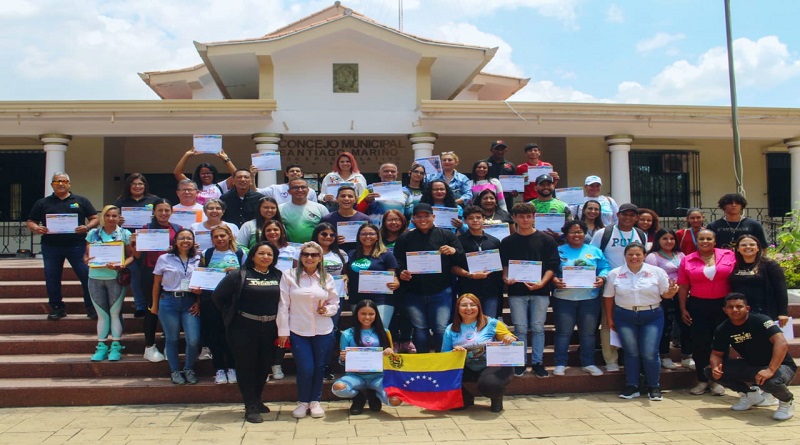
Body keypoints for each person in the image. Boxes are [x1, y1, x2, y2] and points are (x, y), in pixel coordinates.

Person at [213, 241, 281, 423]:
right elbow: (218, 297)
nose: (265, 257)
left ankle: (257, 399)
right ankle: (250, 405)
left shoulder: (278, 275)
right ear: (253, 255)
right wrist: (231, 314)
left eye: (269, 254)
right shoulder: (239, 274)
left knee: (264, 365)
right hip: (244, 327)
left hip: (270, 327)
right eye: (261, 253)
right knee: (246, 366)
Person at [604, 242, 679, 401]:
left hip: (652, 316)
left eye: (638, 254)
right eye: (630, 254)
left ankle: (654, 386)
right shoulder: (614, 274)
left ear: (644, 255)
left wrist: (671, 292)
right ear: (624, 256)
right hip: (624, 316)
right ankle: (632, 385)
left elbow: (665, 294)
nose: (634, 257)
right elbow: (609, 297)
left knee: (650, 352)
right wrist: (610, 318)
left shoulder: (657, 272)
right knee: (631, 352)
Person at [707, 293, 796, 421]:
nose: (735, 310)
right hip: (753, 365)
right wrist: (716, 367)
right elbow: (716, 354)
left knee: (769, 381)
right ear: (725, 310)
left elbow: (781, 343)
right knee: (709, 371)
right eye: (730, 307)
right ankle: (749, 395)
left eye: (739, 306)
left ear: (747, 308)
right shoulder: (723, 328)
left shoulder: (761, 320)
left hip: (781, 366)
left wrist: (770, 369)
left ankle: (787, 401)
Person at [277, 241, 339, 419]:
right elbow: (283, 304)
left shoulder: (326, 278)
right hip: (298, 329)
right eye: (306, 254)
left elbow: (335, 302)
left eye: (314, 255)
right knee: (306, 368)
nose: (309, 258)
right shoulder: (289, 275)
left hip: (323, 329)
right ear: (300, 257)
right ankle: (303, 402)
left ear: (320, 258)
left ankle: (315, 401)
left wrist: (326, 310)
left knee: (319, 367)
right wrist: (283, 331)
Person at [27, 172, 99, 320]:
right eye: (57, 181)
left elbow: (95, 218)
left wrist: (87, 227)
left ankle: (92, 307)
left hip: (77, 245)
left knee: (86, 275)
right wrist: (36, 228)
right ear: (52, 184)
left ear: (69, 184)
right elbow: (30, 221)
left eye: (64, 181)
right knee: (52, 277)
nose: (60, 184)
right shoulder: (42, 203)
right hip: (51, 246)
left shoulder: (81, 201)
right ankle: (57, 308)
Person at [393, 203, 464, 353]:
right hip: (413, 292)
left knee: (440, 328)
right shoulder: (405, 238)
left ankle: (443, 360)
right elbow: (397, 260)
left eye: (426, 216)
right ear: (413, 218)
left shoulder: (447, 235)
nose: (423, 219)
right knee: (420, 329)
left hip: (441, 291)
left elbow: (462, 258)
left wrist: (454, 251)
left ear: (433, 217)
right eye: (419, 216)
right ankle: (423, 360)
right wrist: (401, 272)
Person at [499, 203, 560, 377]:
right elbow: (505, 264)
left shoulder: (547, 240)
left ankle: (537, 362)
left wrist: (542, 282)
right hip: (516, 291)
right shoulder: (507, 241)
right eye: (521, 216)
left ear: (534, 217)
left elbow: (552, 265)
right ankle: (520, 362)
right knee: (520, 328)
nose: (525, 220)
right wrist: (506, 277)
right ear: (515, 218)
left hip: (540, 291)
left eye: (528, 216)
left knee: (538, 328)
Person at [677, 229, 736, 396]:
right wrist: (683, 308)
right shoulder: (688, 259)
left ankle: (718, 381)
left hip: (723, 305)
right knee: (700, 343)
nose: (705, 241)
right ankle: (702, 380)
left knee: (721, 343)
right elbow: (683, 286)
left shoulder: (729, 256)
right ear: (697, 241)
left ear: (714, 241)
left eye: (709, 239)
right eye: (701, 239)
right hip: (698, 305)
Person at [590, 203, 647, 372]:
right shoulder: (604, 233)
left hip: (635, 285)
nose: (628, 217)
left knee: (632, 321)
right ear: (618, 215)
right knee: (608, 322)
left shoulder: (641, 234)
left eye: (632, 215)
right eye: (624, 214)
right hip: (610, 284)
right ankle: (611, 359)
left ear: (636, 217)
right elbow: (592, 256)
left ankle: (629, 357)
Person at [551, 220, 609, 377]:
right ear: (566, 235)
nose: (576, 235)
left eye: (579, 232)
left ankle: (588, 363)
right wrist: (554, 279)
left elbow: (605, 267)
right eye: (572, 232)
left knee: (588, 333)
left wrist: (602, 278)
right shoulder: (558, 251)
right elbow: (550, 269)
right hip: (564, 298)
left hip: (589, 298)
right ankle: (560, 363)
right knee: (563, 333)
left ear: (585, 234)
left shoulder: (595, 251)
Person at [441, 294, 516, 413]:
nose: (468, 308)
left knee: (490, 385)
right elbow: (444, 355)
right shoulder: (450, 329)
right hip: (465, 366)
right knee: (442, 376)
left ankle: (496, 398)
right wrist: (454, 352)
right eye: (464, 305)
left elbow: (510, 338)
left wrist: (509, 338)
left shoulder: (492, 323)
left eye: (472, 305)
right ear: (458, 308)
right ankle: (465, 398)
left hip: (492, 366)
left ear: (479, 307)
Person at [131, 198, 181, 363]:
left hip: (172, 274)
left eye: (167, 210)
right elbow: (137, 256)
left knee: (171, 308)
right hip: (150, 274)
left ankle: (169, 345)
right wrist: (134, 245)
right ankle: (150, 346)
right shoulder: (145, 229)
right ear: (154, 212)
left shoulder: (178, 229)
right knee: (152, 308)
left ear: (171, 212)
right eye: (160, 210)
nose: (163, 213)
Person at [151, 229, 202, 385]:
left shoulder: (198, 259)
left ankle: (188, 368)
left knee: (193, 340)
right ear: (175, 241)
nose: (185, 241)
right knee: (172, 339)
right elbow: (156, 284)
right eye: (182, 238)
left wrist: (199, 301)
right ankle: (175, 371)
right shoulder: (164, 258)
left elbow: (203, 283)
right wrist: (154, 305)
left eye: (189, 238)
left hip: (190, 302)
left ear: (193, 241)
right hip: (168, 301)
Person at [332, 299, 400, 414]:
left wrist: (390, 352)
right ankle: (359, 396)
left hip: (378, 376)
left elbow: (392, 360)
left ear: (376, 315)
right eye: (363, 313)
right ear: (357, 314)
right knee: (338, 388)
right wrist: (343, 358)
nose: (367, 317)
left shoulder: (384, 332)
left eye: (371, 314)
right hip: (355, 376)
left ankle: (375, 394)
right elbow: (342, 361)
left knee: (395, 400)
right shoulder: (347, 334)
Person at [84, 205, 134, 361]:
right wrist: (86, 260)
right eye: (108, 215)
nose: (111, 218)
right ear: (102, 217)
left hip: (115, 278)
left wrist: (122, 264)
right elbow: (86, 255)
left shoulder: (125, 234)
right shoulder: (93, 233)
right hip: (95, 277)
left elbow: (131, 256)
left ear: (119, 218)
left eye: (114, 216)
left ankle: (116, 346)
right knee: (102, 314)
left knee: (114, 313)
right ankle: (101, 346)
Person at [200, 225, 247, 385]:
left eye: (222, 236)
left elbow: (247, 274)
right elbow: (200, 274)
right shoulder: (206, 254)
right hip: (211, 299)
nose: (219, 239)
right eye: (216, 237)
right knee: (215, 334)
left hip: (233, 300)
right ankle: (219, 368)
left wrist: (236, 271)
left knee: (231, 335)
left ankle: (232, 368)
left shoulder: (240, 253)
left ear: (229, 236)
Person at [114, 173, 161, 317]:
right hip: (130, 245)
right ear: (128, 186)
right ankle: (140, 306)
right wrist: (117, 221)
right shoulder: (120, 202)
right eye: (134, 184)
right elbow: (111, 220)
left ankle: (154, 304)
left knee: (153, 276)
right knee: (135, 275)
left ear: (145, 185)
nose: (137, 186)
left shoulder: (154, 200)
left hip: (151, 244)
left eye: (140, 184)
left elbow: (163, 216)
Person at [645, 228, 691, 370]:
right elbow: (650, 278)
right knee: (666, 325)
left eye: (671, 238)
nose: (669, 241)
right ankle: (664, 355)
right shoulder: (653, 257)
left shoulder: (680, 254)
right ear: (658, 240)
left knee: (685, 323)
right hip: (663, 296)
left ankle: (687, 356)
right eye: (665, 238)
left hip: (682, 293)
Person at [311, 222, 350, 380]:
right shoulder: (308, 252)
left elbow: (345, 273)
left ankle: (325, 365)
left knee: (330, 331)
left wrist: (346, 277)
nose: (328, 237)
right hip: (313, 295)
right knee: (312, 330)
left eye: (332, 235)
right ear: (317, 235)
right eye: (324, 234)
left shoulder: (341, 254)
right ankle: (312, 364)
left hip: (335, 297)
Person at [451, 206, 504, 319]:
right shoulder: (458, 242)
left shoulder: (494, 241)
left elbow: (500, 266)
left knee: (489, 323)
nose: (475, 220)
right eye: (471, 218)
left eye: (478, 217)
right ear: (465, 221)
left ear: (484, 219)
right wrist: (470, 275)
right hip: (467, 290)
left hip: (491, 290)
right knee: (469, 322)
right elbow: (453, 267)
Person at [346, 223, 399, 324]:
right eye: (363, 234)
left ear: (377, 236)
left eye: (371, 234)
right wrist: (345, 276)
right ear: (358, 236)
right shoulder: (351, 254)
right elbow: (346, 273)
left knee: (381, 329)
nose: (367, 236)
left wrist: (396, 282)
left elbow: (393, 276)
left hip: (381, 299)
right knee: (362, 329)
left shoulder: (386, 255)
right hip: (357, 299)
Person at [729, 234, 789, 325]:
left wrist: (783, 312)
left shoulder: (770, 265)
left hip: (765, 310)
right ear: (737, 248)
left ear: (758, 248)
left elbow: (781, 289)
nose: (748, 247)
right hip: (740, 312)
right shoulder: (734, 265)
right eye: (743, 245)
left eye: (752, 244)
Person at [320, 185, 370, 253]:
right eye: (343, 196)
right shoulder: (327, 219)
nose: (346, 199)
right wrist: (331, 239)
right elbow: (319, 239)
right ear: (337, 199)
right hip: (334, 255)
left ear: (356, 199)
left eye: (350, 196)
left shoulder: (364, 219)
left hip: (360, 255)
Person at [280, 178, 329, 243]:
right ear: (289, 191)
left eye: (303, 187)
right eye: (295, 188)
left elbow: (329, 229)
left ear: (308, 190)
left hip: (315, 247)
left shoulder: (320, 208)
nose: (300, 190)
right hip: (289, 247)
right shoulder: (280, 209)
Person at [252, 163, 318, 205]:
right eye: (292, 171)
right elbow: (255, 192)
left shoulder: (310, 191)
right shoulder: (275, 188)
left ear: (301, 174)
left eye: (297, 171)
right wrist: (252, 176)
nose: (295, 172)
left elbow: (314, 207)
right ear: (286, 174)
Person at [483, 141, 516, 210]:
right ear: (491, 150)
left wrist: (515, 192)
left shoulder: (510, 165)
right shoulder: (484, 164)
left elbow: (514, 183)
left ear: (506, 151)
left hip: (506, 198)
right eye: (497, 149)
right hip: (488, 197)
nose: (500, 151)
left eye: (502, 149)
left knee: (506, 215)